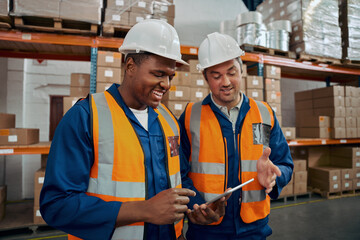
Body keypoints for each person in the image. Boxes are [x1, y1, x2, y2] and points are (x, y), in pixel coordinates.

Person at [40, 20, 225, 240]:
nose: (166, 84)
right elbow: (57, 204)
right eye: (158, 74)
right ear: (130, 66)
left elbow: (180, 179)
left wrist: (198, 207)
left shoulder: (168, 120)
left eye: (170, 77)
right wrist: (143, 210)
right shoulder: (86, 117)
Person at [179, 32, 294, 239]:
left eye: (232, 72)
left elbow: (284, 163)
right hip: (207, 228)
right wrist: (195, 206)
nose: (226, 82)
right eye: (216, 76)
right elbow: (178, 171)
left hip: (254, 228)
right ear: (205, 77)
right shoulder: (190, 117)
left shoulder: (263, 114)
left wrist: (276, 178)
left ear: (242, 71)